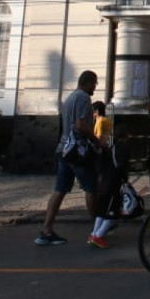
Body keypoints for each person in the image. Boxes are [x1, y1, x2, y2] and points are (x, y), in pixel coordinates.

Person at [36, 70, 106, 247]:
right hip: (78, 152)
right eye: (94, 84)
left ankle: (46, 229)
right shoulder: (83, 98)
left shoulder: (70, 98)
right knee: (91, 188)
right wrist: (97, 141)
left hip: (64, 149)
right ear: (88, 82)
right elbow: (81, 125)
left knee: (59, 190)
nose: (95, 88)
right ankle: (97, 231)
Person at [87, 100, 119, 248]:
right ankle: (97, 233)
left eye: (93, 111)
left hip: (100, 152)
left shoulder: (101, 121)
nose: (92, 115)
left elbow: (98, 138)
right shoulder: (108, 120)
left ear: (97, 111)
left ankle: (97, 233)